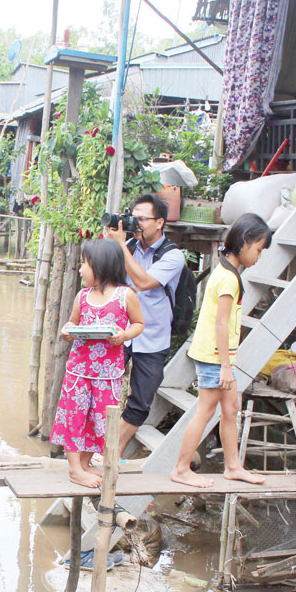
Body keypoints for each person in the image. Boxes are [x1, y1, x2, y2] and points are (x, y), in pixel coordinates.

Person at [171, 214, 272, 488]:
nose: (259, 256)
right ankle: (181, 467)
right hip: (216, 357)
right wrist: (226, 366)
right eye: (259, 249)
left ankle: (233, 466)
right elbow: (221, 323)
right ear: (245, 242)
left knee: (231, 409)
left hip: (217, 355)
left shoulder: (226, 271)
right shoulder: (228, 278)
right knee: (206, 410)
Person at [50, 238, 145, 488]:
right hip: (79, 371)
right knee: (75, 416)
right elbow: (71, 323)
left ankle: (85, 462)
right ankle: (74, 469)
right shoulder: (82, 296)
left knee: (99, 419)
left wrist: (124, 336)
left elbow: (138, 324)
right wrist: (67, 331)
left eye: (84, 264)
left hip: (109, 373)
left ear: (100, 266)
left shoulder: (126, 296)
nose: (80, 269)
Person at [102, 194, 186, 456]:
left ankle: (112, 455)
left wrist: (121, 248)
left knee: (140, 400)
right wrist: (110, 246)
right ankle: (95, 449)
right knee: (103, 390)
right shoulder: (127, 244)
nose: (135, 223)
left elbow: (144, 282)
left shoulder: (173, 256)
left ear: (160, 222)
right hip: (120, 333)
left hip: (152, 337)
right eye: (133, 217)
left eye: (142, 219)